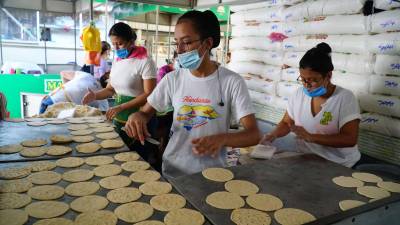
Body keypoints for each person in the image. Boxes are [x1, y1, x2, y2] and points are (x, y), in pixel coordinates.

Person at [124, 10, 260, 179]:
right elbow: (145, 112)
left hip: (213, 173)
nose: (179, 50)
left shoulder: (231, 82)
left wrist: (222, 139)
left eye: (186, 42)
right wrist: (138, 116)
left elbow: (254, 134)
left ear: (208, 43)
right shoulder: (173, 79)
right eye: (177, 43)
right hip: (174, 170)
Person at [261, 43, 361, 168]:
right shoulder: (298, 95)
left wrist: (311, 137)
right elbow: (287, 123)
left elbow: (350, 139)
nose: (307, 85)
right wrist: (272, 135)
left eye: (313, 80)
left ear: (328, 76)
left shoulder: (345, 98)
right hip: (307, 160)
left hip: (339, 164)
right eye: (303, 79)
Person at [82, 22, 157, 159]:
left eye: (120, 43)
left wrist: (121, 106)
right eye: (113, 44)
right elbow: (110, 89)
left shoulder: (145, 61)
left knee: (138, 161)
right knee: (119, 156)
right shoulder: (117, 60)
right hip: (119, 118)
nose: (116, 48)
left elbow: (149, 94)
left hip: (139, 119)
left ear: (131, 41)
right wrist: (95, 96)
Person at [39, 70, 108, 114]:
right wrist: (65, 93)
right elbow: (63, 73)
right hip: (53, 103)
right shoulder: (87, 76)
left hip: (53, 103)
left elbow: (63, 73)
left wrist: (66, 92)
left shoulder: (87, 76)